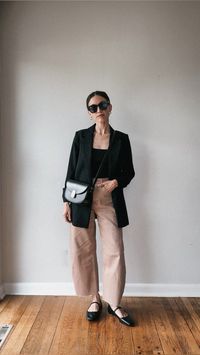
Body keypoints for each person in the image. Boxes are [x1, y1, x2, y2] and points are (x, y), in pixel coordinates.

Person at [62, 91, 135, 327]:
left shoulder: (121, 139)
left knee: (114, 250)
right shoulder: (80, 137)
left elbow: (129, 171)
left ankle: (114, 302)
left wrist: (115, 183)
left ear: (110, 107)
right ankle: (94, 298)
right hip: (81, 198)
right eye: (93, 107)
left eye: (102, 105)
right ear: (89, 113)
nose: (98, 110)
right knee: (83, 249)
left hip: (109, 197)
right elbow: (71, 169)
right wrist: (65, 201)